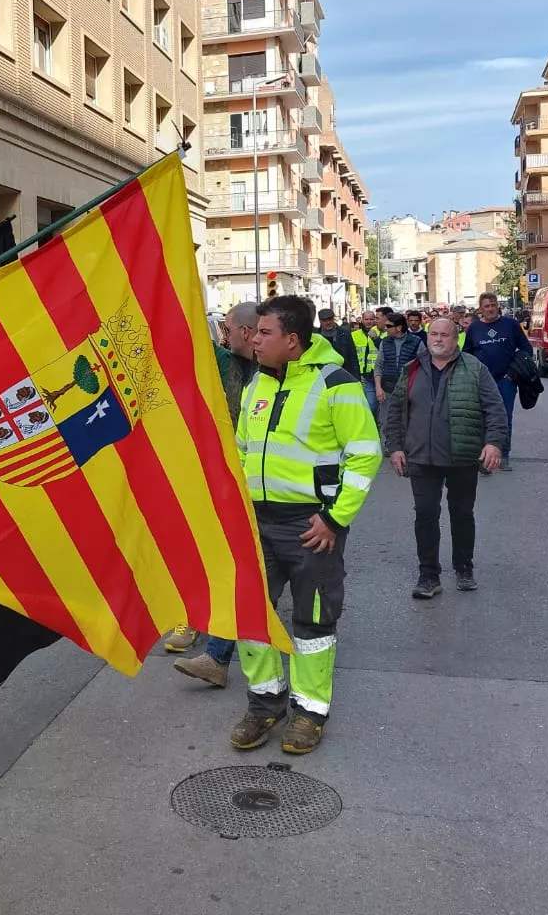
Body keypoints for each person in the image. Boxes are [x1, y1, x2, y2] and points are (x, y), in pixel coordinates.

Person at [229, 295, 381, 755]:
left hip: (312, 526)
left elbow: (364, 455)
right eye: (254, 332)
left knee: (312, 623)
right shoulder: (258, 382)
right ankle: (265, 703)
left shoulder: (336, 383)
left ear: (292, 340)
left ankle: (309, 712)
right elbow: (242, 449)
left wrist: (335, 519)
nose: (254, 339)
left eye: (265, 333)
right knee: (251, 613)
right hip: (259, 521)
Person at [381, 317, 508, 599]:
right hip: (422, 458)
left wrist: (494, 443)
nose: (438, 339)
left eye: (444, 335)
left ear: (456, 339)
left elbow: (495, 408)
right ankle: (429, 575)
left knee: (462, 514)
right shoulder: (411, 369)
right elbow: (396, 412)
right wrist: (396, 447)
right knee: (425, 515)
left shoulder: (475, 369)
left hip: (461, 456)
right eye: (433, 334)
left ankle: (464, 567)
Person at [168, 302, 260, 679]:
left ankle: (219, 649)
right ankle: (198, 627)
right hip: (224, 473)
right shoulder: (224, 360)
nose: (223, 333)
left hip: (265, 486)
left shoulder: (280, 370)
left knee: (242, 565)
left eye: (227, 327)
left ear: (245, 331)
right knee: (216, 553)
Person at [462, 291, 532, 471]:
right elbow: (466, 354)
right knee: (481, 418)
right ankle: (484, 457)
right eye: (487, 306)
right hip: (481, 381)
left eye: (493, 305)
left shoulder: (511, 325)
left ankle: (503, 455)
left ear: (497, 306)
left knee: (503, 418)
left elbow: (526, 349)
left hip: (505, 381)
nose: (491, 309)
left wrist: (514, 372)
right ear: (481, 309)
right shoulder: (474, 329)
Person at [374, 313, 418, 410]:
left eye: (388, 326)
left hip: (409, 392)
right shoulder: (385, 342)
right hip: (388, 391)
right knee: (386, 423)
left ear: (398, 328)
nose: (386, 328)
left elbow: (424, 367)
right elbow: (378, 366)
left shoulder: (416, 342)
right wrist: (378, 388)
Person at [315, 308, 360, 378]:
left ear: (333, 319)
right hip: (323, 376)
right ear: (320, 321)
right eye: (325, 320)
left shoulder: (344, 333)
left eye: (330, 319)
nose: (328, 322)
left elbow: (353, 357)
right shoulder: (316, 336)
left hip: (344, 373)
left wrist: (357, 378)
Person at [352, 314, 380, 418]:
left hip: (376, 374)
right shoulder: (354, 335)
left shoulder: (381, 333)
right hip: (360, 374)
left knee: (374, 405)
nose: (369, 321)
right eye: (366, 319)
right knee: (366, 404)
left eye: (372, 319)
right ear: (362, 320)